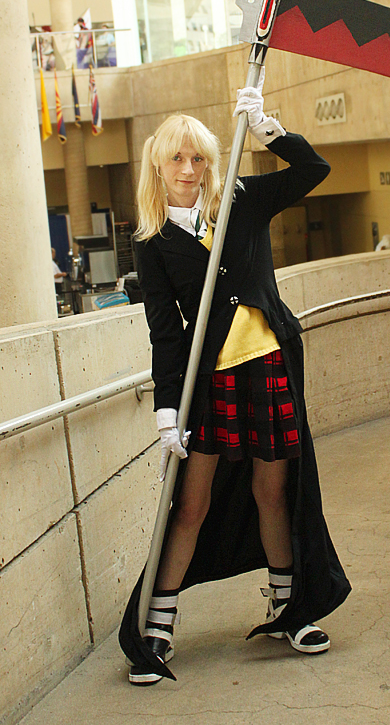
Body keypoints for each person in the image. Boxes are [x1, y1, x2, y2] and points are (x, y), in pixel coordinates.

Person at [119, 77, 350, 685]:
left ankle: (289, 608)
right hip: (212, 381)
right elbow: (166, 333)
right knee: (191, 502)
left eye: (198, 157)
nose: (189, 168)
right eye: (177, 158)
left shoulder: (240, 200)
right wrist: (166, 411)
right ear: (159, 167)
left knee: (275, 493)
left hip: (271, 365)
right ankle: (158, 629)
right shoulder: (152, 241)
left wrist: (272, 130)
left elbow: (313, 169)